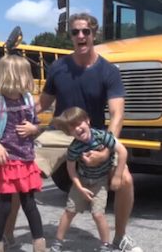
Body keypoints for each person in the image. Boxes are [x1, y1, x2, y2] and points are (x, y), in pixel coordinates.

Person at [36, 12, 142, 252]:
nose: (80, 36)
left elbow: (117, 114)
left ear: (94, 34)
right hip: (60, 135)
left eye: (86, 31)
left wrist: (105, 150)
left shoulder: (108, 71)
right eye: (75, 32)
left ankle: (120, 237)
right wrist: (12, 116)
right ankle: (6, 236)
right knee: (20, 169)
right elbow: (41, 104)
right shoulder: (58, 68)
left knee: (125, 179)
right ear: (70, 36)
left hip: (92, 136)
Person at [0, 54, 47, 252]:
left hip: (25, 161)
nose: (29, 78)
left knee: (30, 205)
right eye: (26, 74)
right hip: (4, 163)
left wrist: (34, 129)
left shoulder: (28, 100)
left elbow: (37, 124)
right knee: (5, 207)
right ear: (14, 76)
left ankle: (39, 245)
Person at [49, 107, 127, 252]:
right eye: (72, 128)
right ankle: (58, 242)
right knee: (69, 211)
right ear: (69, 133)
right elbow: (71, 169)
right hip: (83, 180)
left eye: (79, 124)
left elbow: (123, 151)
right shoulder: (74, 147)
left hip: (100, 182)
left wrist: (117, 176)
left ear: (87, 121)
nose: (77, 129)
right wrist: (79, 187)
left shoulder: (103, 136)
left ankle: (105, 245)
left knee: (98, 214)